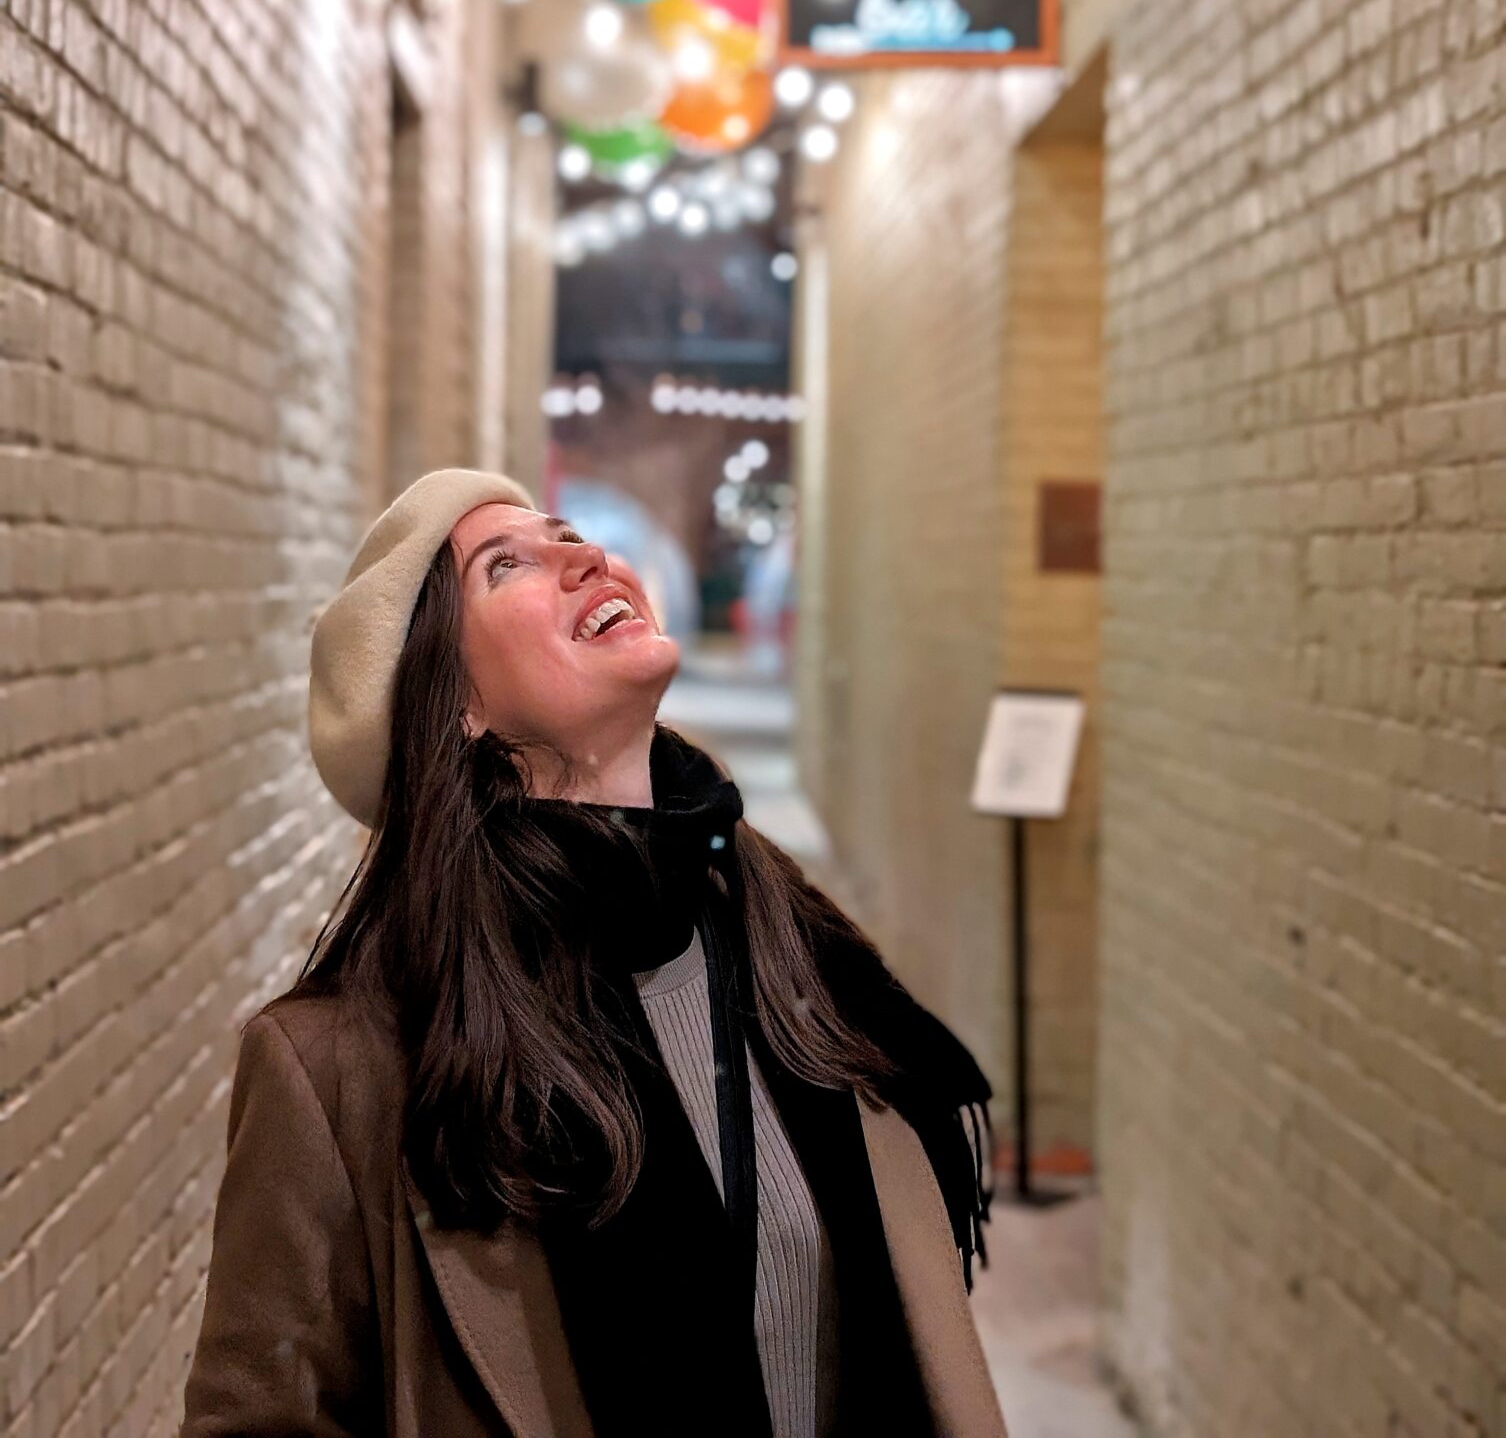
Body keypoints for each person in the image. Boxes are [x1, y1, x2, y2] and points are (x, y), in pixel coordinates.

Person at [179, 467, 1007, 1437]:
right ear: (456, 706)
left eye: (567, 533)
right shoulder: (343, 1068)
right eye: (508, 564)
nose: (583, 554)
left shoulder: (800, 957)